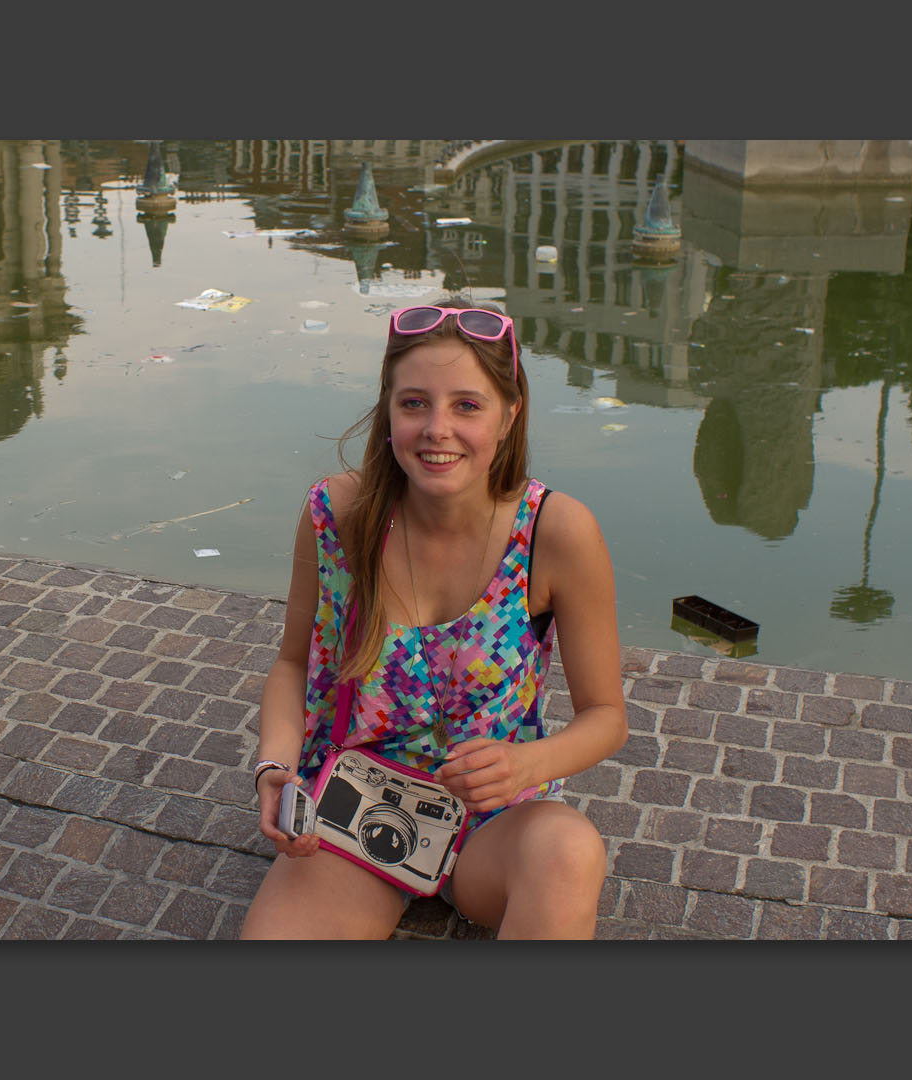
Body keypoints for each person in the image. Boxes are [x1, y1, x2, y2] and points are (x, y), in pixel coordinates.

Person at [240, 297, 628, 939]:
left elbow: (606, 718)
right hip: (354, 811)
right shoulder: (339, 513)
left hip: (495, 819)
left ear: (510, 413)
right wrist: (275, 769)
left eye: (466, 405)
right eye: (414, 402)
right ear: (388, 411)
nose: (436, 429)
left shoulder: (555, 533)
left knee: (571, 851)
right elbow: (290, 663)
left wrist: (526, 765)